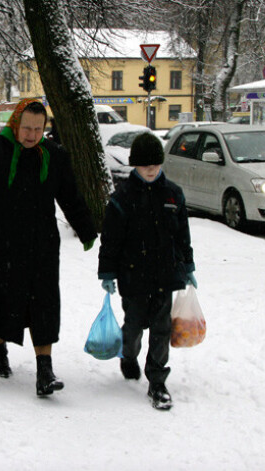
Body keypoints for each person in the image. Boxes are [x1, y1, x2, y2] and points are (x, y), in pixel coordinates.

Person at [0, 99, 97, 396]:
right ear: (15, 124)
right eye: (27, 128)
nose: (32, 135)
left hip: (40, 245)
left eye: (38, 129)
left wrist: (85, 229)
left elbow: (70, 196)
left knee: (43, 304)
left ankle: (44, 370)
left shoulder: (54, 156)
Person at [97, 132, 196, 411]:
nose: (151, 169)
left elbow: (182, 236)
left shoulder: (173, 194)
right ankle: (128, 356)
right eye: (144, 164)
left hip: (165, 274)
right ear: (134, 166)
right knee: (134, 326)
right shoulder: (123, 198)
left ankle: (157, 379)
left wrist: (187, 266)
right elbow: (111, 240)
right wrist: (107, 273)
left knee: (161, 329)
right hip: (133, 275)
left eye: (155, 163)